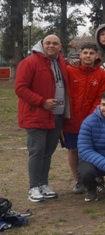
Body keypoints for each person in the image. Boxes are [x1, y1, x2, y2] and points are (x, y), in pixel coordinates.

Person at [15, 35, 70, 202]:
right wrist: (42, 102)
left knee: (48, 152)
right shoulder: (30, 62)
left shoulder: (61, 62)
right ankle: (33, 187)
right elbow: (20, 88)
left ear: (60, 47)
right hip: (36, 115)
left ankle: (43, 184)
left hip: (56, 116)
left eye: (55, 43)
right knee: (37, 151)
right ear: (42, 44)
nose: (51, 46)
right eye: (48, 43)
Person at [64, 42, 105, 194]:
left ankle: (98, 179)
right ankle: (79, 180)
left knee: (95, 149)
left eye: (91, 53)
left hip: (92, 120)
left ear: (96, 56)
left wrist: (91, 117)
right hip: (71, 119)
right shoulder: (70, 70)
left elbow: (100, 96)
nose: (88, 56)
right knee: (73, 149)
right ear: (80, 55)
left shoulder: (101, 73)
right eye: (85, 53)